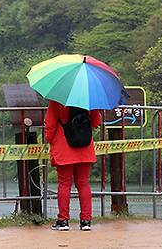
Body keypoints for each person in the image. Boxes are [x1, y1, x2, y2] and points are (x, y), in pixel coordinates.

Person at [44, 99, 101, 231]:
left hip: (64, 147)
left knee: (64, 184)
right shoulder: (88, 97)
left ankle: (63, 221)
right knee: (83, 184)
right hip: (85, 147)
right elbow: (96, 121)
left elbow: (50, 124)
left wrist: (49, 139)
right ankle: (86, 220)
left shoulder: (57, 99)